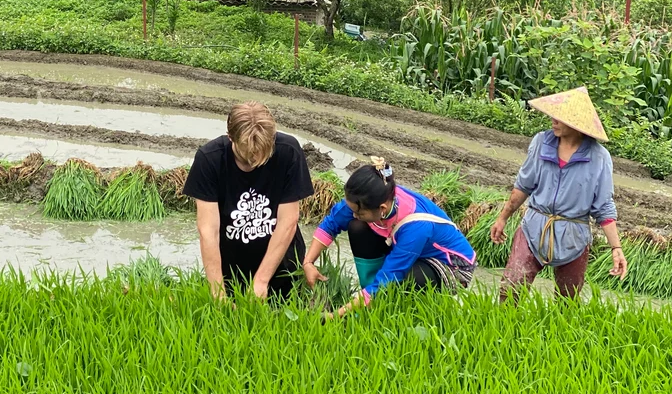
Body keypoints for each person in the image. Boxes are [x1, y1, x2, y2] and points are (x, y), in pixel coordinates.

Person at [491, 86, 628, 300]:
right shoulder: (541, 143)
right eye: (553, 115)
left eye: (560, 117)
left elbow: (604, 207)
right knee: (510, 290)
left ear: (577, 123)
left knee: (567, 300)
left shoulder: (599, 158)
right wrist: (502, 218)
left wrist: (616, 248)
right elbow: (523, 186)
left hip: (574, 235)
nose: (553, 120)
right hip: (534, 227)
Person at [304, 158, 476, 318]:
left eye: (359, 212)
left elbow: (389, 278)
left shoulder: (416, 227)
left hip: (452, 266)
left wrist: (335, 316)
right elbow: (331, 223)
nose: (354, 214)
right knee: (358, 227)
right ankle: (367, 296)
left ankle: (390, 311)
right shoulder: (367, 197)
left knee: (406, 278)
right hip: (409, 248)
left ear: (382, 208)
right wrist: (308, 263)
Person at [182, 102, 313, 300]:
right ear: (230, 137)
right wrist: (217, 292)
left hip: (283, 267)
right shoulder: (209, 159)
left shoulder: (288, 151)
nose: (253, 162)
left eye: (262, 155)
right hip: (232, 270)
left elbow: (288, 222)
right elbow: (208, 231)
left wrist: (261, 280)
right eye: (246, 156)